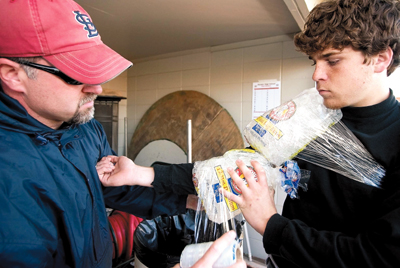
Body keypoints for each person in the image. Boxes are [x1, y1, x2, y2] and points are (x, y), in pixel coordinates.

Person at [101, 0, 400, 267]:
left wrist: (270, 224)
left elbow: (379, 256)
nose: (316, 74)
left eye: (332, 61)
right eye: (315, 61)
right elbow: (230, 168)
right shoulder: (311, 118)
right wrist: (141, 174)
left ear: (380, 59)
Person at [0, 1, 199, 267]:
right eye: (75, 73)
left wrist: (190, 201)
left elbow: (113, 189)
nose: (97, 87)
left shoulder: (84, 127)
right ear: (13, 75)